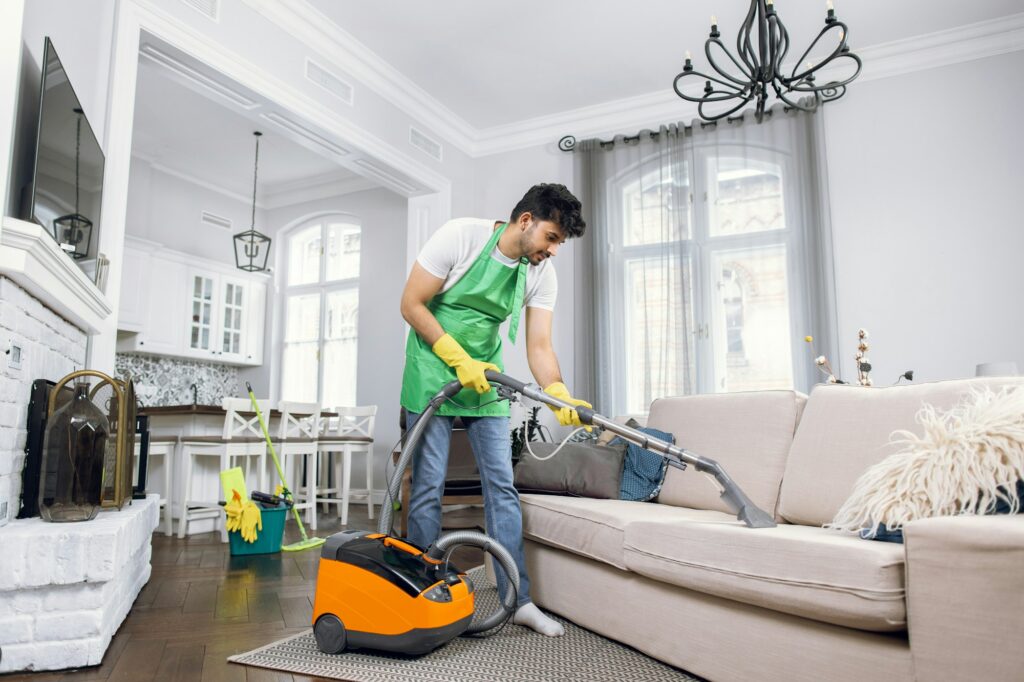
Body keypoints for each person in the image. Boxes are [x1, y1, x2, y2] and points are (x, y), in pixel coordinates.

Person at [399, 183, 590, 636]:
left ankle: (517, 599)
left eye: (559, 242)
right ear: (526, 221)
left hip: (486, 377)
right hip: (432, 369)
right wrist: (455, 357)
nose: (553, 250)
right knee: (427, 487)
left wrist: (558, 389)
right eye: (551, 237)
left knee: (501, 488)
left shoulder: (541, 272)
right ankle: (431, 597)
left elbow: (539, 346)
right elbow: (411, 303)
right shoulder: (459, 237)